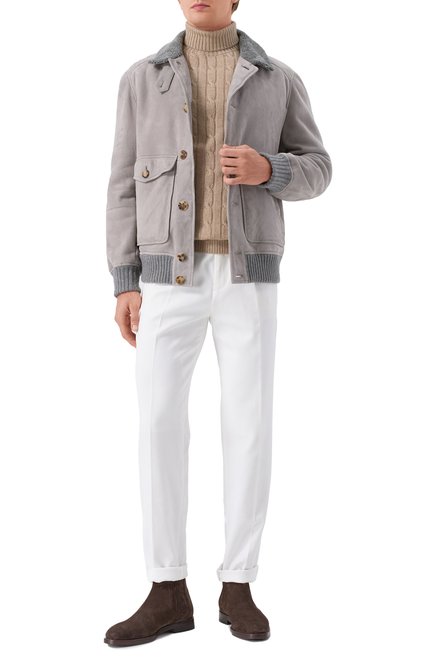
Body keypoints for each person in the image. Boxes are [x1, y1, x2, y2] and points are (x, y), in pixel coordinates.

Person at [104, 0, 332, 646]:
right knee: (157, 424)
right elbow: (122, 184)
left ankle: (239, 582)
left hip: (247, 274)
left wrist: (270, 170)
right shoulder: (141, 79)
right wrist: (124, 279)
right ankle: (167, 589)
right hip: (163, 277)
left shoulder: (278, 78)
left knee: (249, 425)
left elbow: (319, 167)